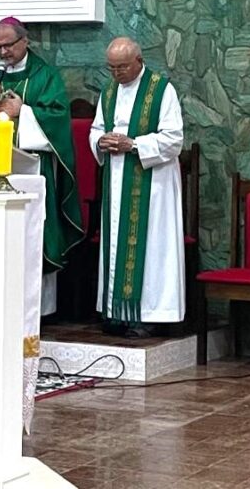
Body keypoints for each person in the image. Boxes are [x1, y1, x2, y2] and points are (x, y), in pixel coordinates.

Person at [0, 17, 83, 314]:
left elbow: (57, 117)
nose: (2, 53)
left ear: (25, 41)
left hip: (33, 168)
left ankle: (38, 311)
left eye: (8, 45)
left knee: (33, 235)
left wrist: (23, 111)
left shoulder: (45, 75)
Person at [90, 37, 184, 337]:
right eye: (112, 68)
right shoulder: (108, 91)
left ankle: (148, 315)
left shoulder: (161, 90)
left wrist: (133, 144)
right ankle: (117, 311)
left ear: (139, 61)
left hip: (151, 182)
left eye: (122, 67)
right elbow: (96, 128)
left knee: (152, 247)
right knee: (117, 242)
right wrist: (100, 141)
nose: (117, 73)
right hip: (117, 179)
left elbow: (173, 138)